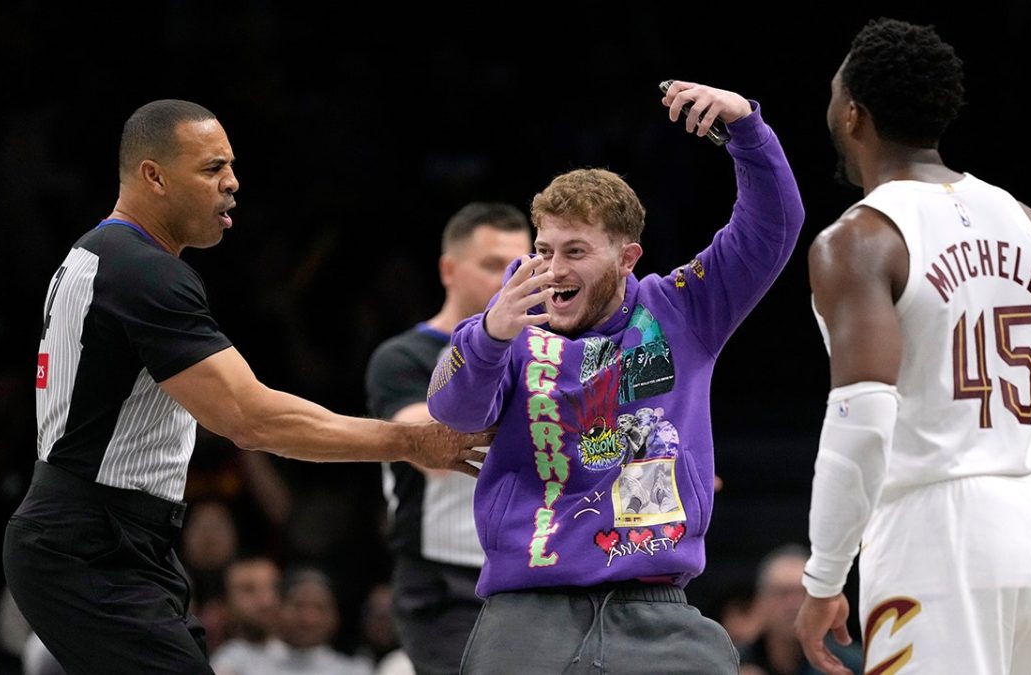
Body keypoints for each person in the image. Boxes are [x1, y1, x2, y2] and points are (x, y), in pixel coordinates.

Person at [1, 98, 493, 675]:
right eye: (212, 168)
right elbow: (251, 419)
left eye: (231, 166)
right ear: (153, 176)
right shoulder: (143, 273)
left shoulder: (94, 254)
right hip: (91, 545)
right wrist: (409, 441)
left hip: (99, 537)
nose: (232, 182)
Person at [427, 80, 805, 674]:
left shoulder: (680, 311)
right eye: (544, 250)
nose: (553, 269)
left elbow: (771, 230)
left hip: (653, 606)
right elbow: (452, 410)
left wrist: (746, 130)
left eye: (575, 252)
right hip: (528, 610)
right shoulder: (508, 324)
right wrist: (490, 336)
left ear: (627, 258)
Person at [792, 18, 1031, 674]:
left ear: (853, 115)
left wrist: (824, 578)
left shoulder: (858, 240)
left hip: (934, 526)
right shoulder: (1028, 223)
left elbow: (863, 421)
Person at [365, 201, 531, 674]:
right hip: (443, 580)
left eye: (521, 266)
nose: (509, 280)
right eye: (492, 265)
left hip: (533, 568)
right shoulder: (404, 358)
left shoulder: (547, 352)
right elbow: (434, 450)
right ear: (449, 270)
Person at [738, 543, 863, 675]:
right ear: (760, 602)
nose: (795, 605)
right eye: (783, 593)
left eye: (805, 594)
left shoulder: (853, 666)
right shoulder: (731, 664)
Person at [211, 556, 286, 675]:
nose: (266, 601)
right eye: (249, 590)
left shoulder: (302, 655)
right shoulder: (224, 665)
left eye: (272, 588)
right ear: (226, 602)